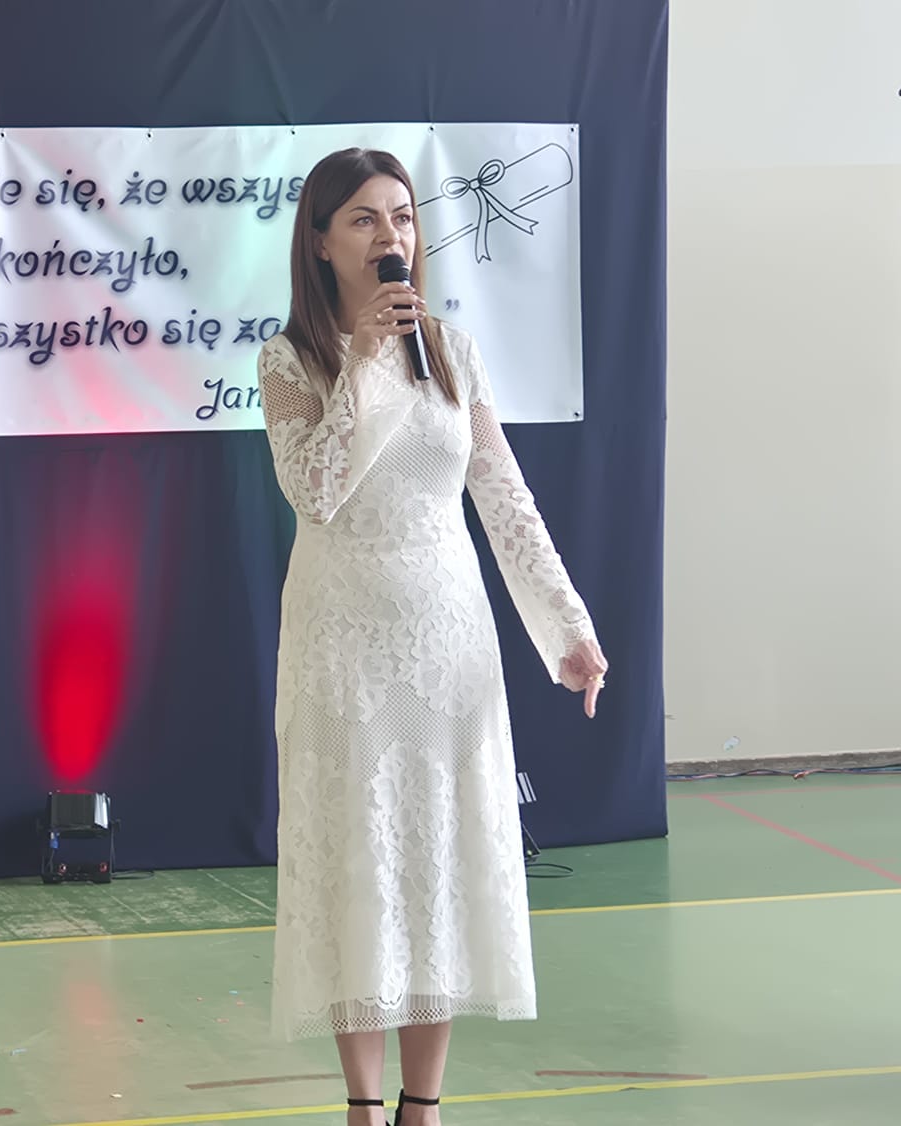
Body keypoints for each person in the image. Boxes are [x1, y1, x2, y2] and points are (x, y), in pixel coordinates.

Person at [255, 148, 608, 1126]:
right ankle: (363, 1105)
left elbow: (503, 496)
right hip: (341, 645)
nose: (391, 236)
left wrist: (566, 626)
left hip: (448, 640)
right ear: (321, 243)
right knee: (357, 861)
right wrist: (365, 362)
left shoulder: (452, 352)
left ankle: (424, 1104)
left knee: (437, 865)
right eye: (364, 219)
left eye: (403, 216)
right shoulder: (289, 361)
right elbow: (315, 493)